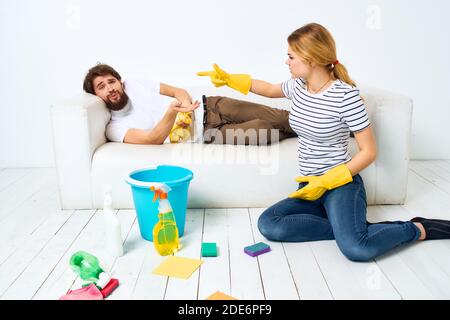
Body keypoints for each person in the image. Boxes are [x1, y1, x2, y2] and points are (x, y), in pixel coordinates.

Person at [198, 22, 450, 262]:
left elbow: (369, 151)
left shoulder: (346, 96)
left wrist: (330, 179)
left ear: (312, 58)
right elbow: (268, 89)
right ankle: (350, 228)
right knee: (269, 223)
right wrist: (231, 79)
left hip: (341, 186)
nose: (286, 61)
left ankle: (417, 229)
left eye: (291, 56)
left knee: (357, 249)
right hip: (310, 187)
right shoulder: (298, 86)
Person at [82, 64, 296, 145]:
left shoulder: (134, 83)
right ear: (96, 95)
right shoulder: (113, 128)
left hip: (211, 106)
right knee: (264, 130)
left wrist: (185, 105)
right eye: (101, 86)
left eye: (111, 81)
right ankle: (307, 132)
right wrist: (173, 113)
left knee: (278, 118)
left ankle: (322, 128)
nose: (109, 88)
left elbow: (177, 91)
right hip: (207, 135)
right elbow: (152, 139)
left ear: (119, 81)